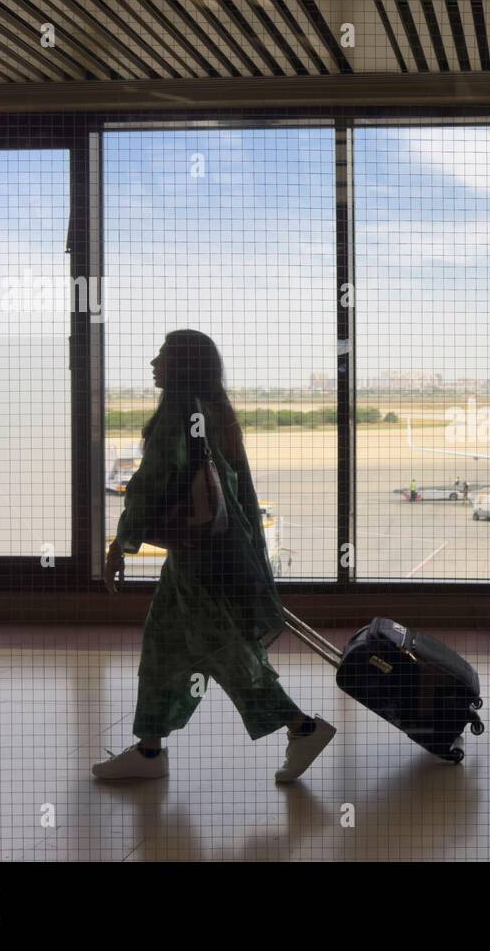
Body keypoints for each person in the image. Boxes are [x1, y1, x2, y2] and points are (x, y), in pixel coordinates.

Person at [96, 329, 336, 784]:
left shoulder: (181, 411)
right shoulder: (215, 411)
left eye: (162, 354)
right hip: (212, 553)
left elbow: (149, 484)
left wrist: (120, 544)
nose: (153, 362)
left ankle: (302, 727)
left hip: (201, 561)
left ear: (183, 364)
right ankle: (149, 751)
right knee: (164, 648)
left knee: (227, 654)